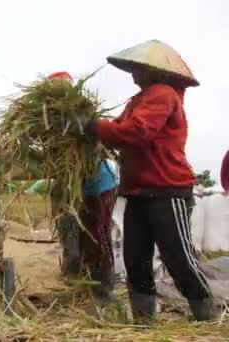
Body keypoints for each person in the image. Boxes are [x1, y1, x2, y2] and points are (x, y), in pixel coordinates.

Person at [84, 39, 216, 322]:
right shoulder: (139, 100)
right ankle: (144, 322)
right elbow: (120, 130)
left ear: (151, 69)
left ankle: (207, 315)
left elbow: (137, 132)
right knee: (135, 260)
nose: (133, 73)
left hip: (167, 189)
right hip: (138, 191)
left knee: (178, 258)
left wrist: (95, 127)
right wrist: (96, 128)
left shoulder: (163, 94)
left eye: (137, 67)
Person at [46, 71, 120, 305]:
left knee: (97, 234)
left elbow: (96, 140)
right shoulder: (49, 123)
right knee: (71, 232)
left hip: (99, 183)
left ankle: (103, 290)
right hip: (70, 186)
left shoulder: (84, 112)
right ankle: (77, 279)